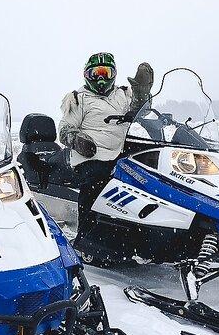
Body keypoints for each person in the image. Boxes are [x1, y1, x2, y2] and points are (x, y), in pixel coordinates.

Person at [58, 52, 153, 251]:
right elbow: (65, 129)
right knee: (96, 182)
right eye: (95, 73)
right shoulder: (78, 99)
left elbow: (142, 111)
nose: (100, 78)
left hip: (122, 152)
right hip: (92, 155)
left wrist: (143, 92)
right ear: (87, 75)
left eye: (105, 72)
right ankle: (86, 240)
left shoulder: (124, 94)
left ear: (113, 74)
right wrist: (77, 140)